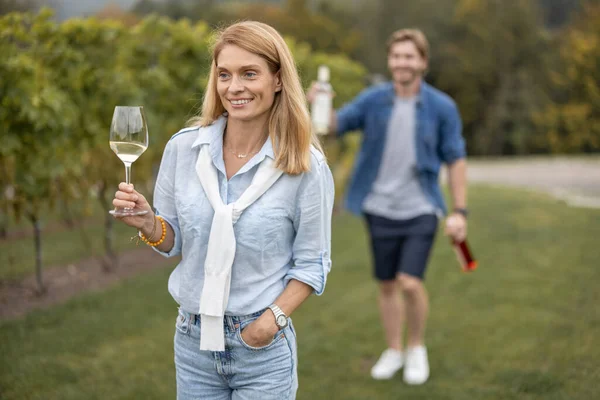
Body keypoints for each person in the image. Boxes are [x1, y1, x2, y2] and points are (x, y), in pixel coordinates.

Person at [112, 21, 334, 399]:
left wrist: (268, 324)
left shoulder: (305, 166)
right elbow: (173, 241)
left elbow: (313, 263)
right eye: (224, 75)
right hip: (192, 341)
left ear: (278, 80)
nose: (235, 88)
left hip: (262, 351)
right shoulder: (184, 150)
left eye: (250, 74)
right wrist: (150, 224)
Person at [308, 28, 468, 385]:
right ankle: (394, 350)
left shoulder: (442, 107)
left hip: (421, 207)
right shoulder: (373, 99)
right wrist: (318, 102)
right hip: (378, 207)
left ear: (423, 62)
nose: (402, 62)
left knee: (409, 282)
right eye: (396, 56)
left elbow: (456, 158)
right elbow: (334, 125)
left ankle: (416, 347)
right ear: (390, 61)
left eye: (409, 56)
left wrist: (460, 210)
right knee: (386, 285)